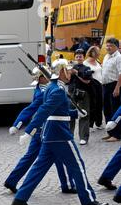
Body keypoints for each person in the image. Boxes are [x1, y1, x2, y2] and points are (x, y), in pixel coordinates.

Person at [12, 59, 110, 205]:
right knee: (78, 167)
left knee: (38, 169)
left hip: (50, 134)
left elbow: (57, 111)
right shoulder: (58, 89)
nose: (71, 72)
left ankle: (20, 198)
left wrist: (74, 114)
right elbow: (44, 111)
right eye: (68, 70)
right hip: (60, 134)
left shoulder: (53, 87)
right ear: (62, 72)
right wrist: (29, 131)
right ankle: (89, 201)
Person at [5, 66, 76, 194]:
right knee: (59, 157)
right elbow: (31, 110)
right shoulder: (45, 92)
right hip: (45, 129)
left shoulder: (43, 89)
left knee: (30, 157)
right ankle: (68, 185)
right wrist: (17, 125)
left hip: (40, 130)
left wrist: (75, 113)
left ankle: (12, 180)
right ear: (42, 78)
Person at [69, 49, 93, 145]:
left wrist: (77, 73)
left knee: (84, 114)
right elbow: (67, 81)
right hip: (72, 93)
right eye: (77, 56)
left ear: (84, 57)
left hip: (83, 93)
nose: (79, 58)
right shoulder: (71, 67)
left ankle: (84, 137)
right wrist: (68, 73)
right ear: (74, 57)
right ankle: (69, 136)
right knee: (70, 114)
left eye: (80, 56)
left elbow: (87, 81)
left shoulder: (87, 68)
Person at [101, 38, 121, 142]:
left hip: (114, 86)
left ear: (117, 46)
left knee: (115, 110)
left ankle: (117, 135)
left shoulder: (118, 57)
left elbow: (120, 74)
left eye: (111, 46)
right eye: (107, 45)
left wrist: (117, 88)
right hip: (105, 86)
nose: (108, 47)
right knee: (107, 110)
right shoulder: (106, 56)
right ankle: (110, 132)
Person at [84, 46, 104, 130]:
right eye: (97, 52)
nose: (99, 54)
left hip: (100, 85)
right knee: (92, 105)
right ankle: (90, 124)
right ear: (92, 53)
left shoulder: (97, 61)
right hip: (91, 86)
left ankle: (99, 123)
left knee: (99, 104)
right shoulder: (85, 63)